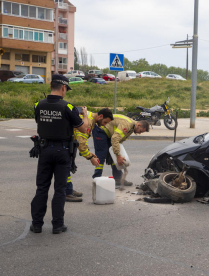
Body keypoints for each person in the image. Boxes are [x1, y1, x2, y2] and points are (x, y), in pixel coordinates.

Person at [30, 74, 89, 234]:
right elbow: (84, 129)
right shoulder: (67, 107)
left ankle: (36, 224)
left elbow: (39, 122)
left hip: (44, 150)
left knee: (41, 188)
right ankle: (57, 225)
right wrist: (84, 115)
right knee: (60, 189)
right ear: (63, 88)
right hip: (62, 151)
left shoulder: (38, 105)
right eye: (66, 90)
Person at [66, 108, 114, 202]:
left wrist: (89, 152)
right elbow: (81, 142)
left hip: (68, 141)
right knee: (65, 167)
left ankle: (68, 189)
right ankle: (67, 192)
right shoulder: (88, 121)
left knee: (66, 167)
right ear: (100, 116)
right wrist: (90, 157)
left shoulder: (89, 117)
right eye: (105, 122)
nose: (104, 125)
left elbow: (82, 140)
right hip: (65, 142)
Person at [93, 114, 149, 187]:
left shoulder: (132, 127)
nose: (139, 133)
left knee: (114, 157)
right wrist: (118, 155)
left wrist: (117, 154)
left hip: (109, 134)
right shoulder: (127, 125)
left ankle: (118, 178)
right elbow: (115, 139)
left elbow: (119, 140)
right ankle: (96, 179)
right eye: (140, 131)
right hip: (101, 131)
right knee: (101, 155)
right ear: (138, 125)